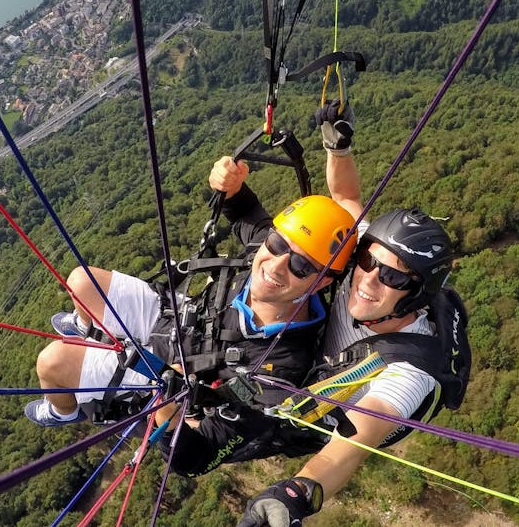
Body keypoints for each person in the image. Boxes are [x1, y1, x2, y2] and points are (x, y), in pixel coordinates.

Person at [211, 102, 471, 526]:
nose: (369, 278)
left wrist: (295, 493)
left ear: (417, 296)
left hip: (319, 410)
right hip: (312, 357)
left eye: (393, 277)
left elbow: (359, 436)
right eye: (369, 262)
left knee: (213, 430)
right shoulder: (366, 260)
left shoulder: (409, 370)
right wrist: (339, 149)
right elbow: (346, 200)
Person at [26, 188, 359, 476]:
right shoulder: (268, 251)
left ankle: (62, 410)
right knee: (82, 281)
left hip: (173, 384)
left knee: (54, 362)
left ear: (323, 281)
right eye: (275, 244)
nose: (276, 265)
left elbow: (196, 457)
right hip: (181, 322)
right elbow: (244, 210)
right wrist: (231, 185)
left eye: (301, 267)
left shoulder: (280, 368)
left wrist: (168, 408)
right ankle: (87, 328)